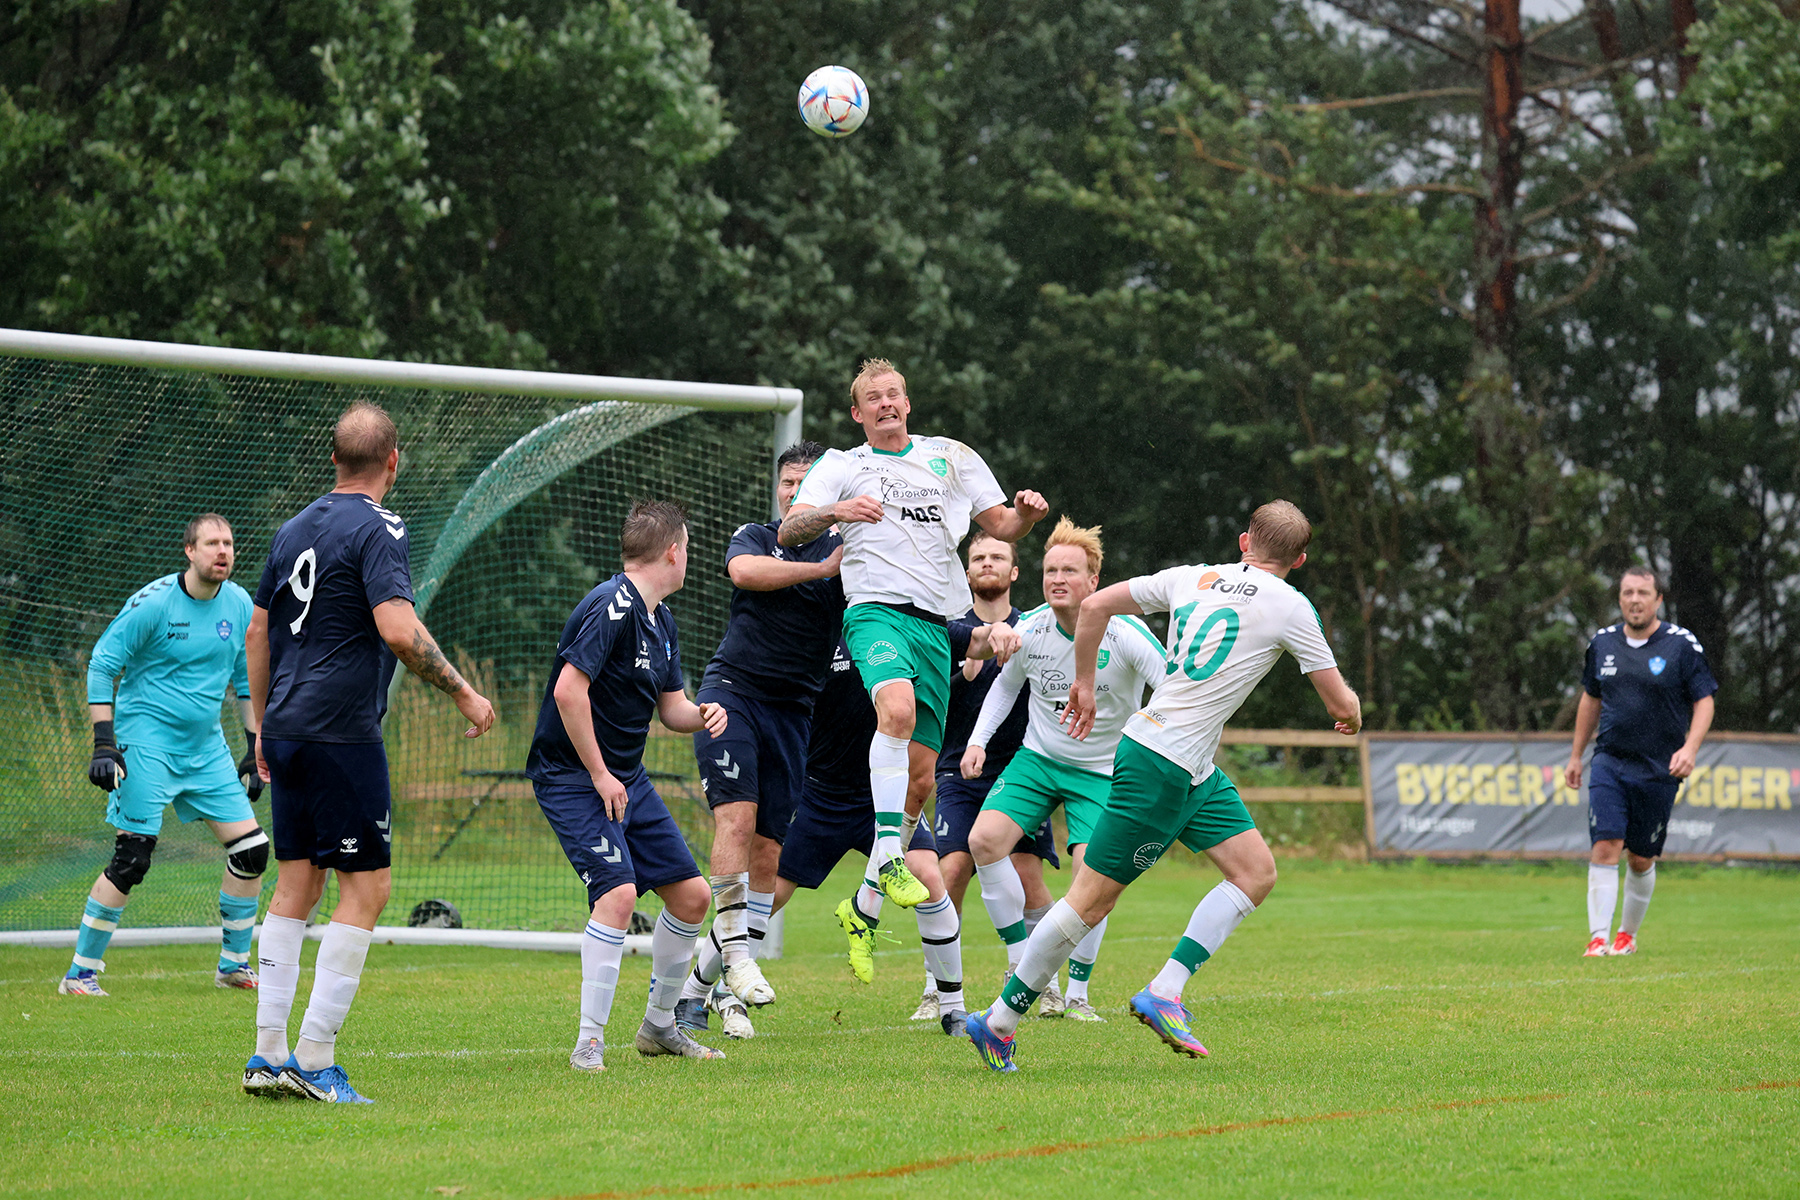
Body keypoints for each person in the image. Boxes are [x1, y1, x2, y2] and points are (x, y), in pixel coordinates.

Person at [966, 501, 1362, 1072]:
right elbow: (1338, 702)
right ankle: (999, 1021)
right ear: (1298, 559)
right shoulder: (1293, 607)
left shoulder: (1191, 576)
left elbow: (1098, 604)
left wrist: (1083, 683)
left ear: (1244, 540)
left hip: (1189, 765)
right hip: (1162, 764)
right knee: (1089, 900)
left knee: (1255, 872)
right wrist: (1351, 714)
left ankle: (1166, 991)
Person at [244, 402, 497, 1104]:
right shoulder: (382, 527)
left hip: (289, 728)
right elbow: (397, 627)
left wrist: (262, 726)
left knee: (297, 886)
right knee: (369, 888)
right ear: (393, 462)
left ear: (334, 460)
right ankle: (317, 1060)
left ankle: (267, 1055)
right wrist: (464, 693)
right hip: (341, 730)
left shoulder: (293, 526)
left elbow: (259, 633)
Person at [780, 358, 1046, 933]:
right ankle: (893, 858)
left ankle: (866, 902)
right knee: (894, 710)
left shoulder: (950, 456)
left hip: (935, 625)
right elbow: (789, 529)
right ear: (858, 413)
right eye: (873, 397)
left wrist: (1023, 517)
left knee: (921, 778)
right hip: (874, 613)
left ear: (908, 403)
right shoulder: (842, 466)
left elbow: (999, 525)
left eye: (893, 394)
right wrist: (835, 510)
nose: (885, 403)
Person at [527, 500, 731, 1073]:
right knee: (617, 895)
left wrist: (705, 713)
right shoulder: (610, 604)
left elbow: (671, 711)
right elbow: (570, 692)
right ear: (673, 551)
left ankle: (659, 1027)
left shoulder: (659, 619)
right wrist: (598, 772)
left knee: (692, 897)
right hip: (574, 777)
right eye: (687, 547)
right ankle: (589, 1042)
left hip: (624, 778)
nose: (688, 557)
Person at [962, 518, 1166, 1022]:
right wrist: (977, 742)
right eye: (1051, 569)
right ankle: (1021, 961)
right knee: (984, 841)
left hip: (1101, 771)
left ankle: (1076, 993)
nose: (1057, 579)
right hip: (1039, 760)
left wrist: (1146, 743)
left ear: (1094, 581)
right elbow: (1007, 687)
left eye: (1069, 571)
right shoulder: (1030, 627)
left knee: (1090, 875)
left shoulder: (1127, 634)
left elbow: (1171, 690)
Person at [677, 442, 845, 1037]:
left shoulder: (849, 553)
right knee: (737, 822)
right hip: (733, 693)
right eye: (786, 482)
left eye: (806, 482)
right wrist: (820, 571)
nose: (794, 492)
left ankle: (713, 990)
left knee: (771, 854)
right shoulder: (758, 535)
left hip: (795, 711)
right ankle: (740, 960)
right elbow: (744, 573)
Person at [62, 515, 263, 998]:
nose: (223, 551)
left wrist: (253, 746)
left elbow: (242, 674)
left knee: (252, 851)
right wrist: (103, 743)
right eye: (212, 543)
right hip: (145, 745)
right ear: (189, 551)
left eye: (229, 543)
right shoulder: (152, 605)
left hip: (205, 748)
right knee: (132, 858)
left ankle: (233, 966)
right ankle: (80, 974)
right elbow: (102, 665)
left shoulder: (238, 604)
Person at [763, 637, 971, 1036]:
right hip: (820, 794)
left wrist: (988, 637)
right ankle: (703, 990)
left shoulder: (902, 623)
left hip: (881, 795)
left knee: (929, 877)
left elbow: (960, 634)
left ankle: (952, 1008)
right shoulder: (819, 631)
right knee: (768, 893)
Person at [920, 532, 1062, 1024]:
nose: (987, 563)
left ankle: (1042, 984)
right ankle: (938, 989)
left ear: (1014, 572)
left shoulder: (1035, 629)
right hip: (958, 769)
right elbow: (930, 693)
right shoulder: (949, 631)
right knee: (951, 871)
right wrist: (965, 672)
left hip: (1021, 770)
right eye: (978, 557)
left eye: (997, 557)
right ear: (966, 573)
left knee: (1027, 876)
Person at [1565, 567, 1716, 957]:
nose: (1635, 600)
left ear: (1658, 600)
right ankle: (1598, 938)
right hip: (1610, 762)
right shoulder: (1601, 644)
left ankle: (1626, 936)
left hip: (1658, 769)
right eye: (1628, 592)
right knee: (1605, 845)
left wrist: (1690, 748)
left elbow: (1704, 700)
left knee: (1641, 858)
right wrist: (1576, 755)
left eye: (1643, 593)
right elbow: (1590, 699)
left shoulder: (1681, 645)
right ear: (1619, 599)